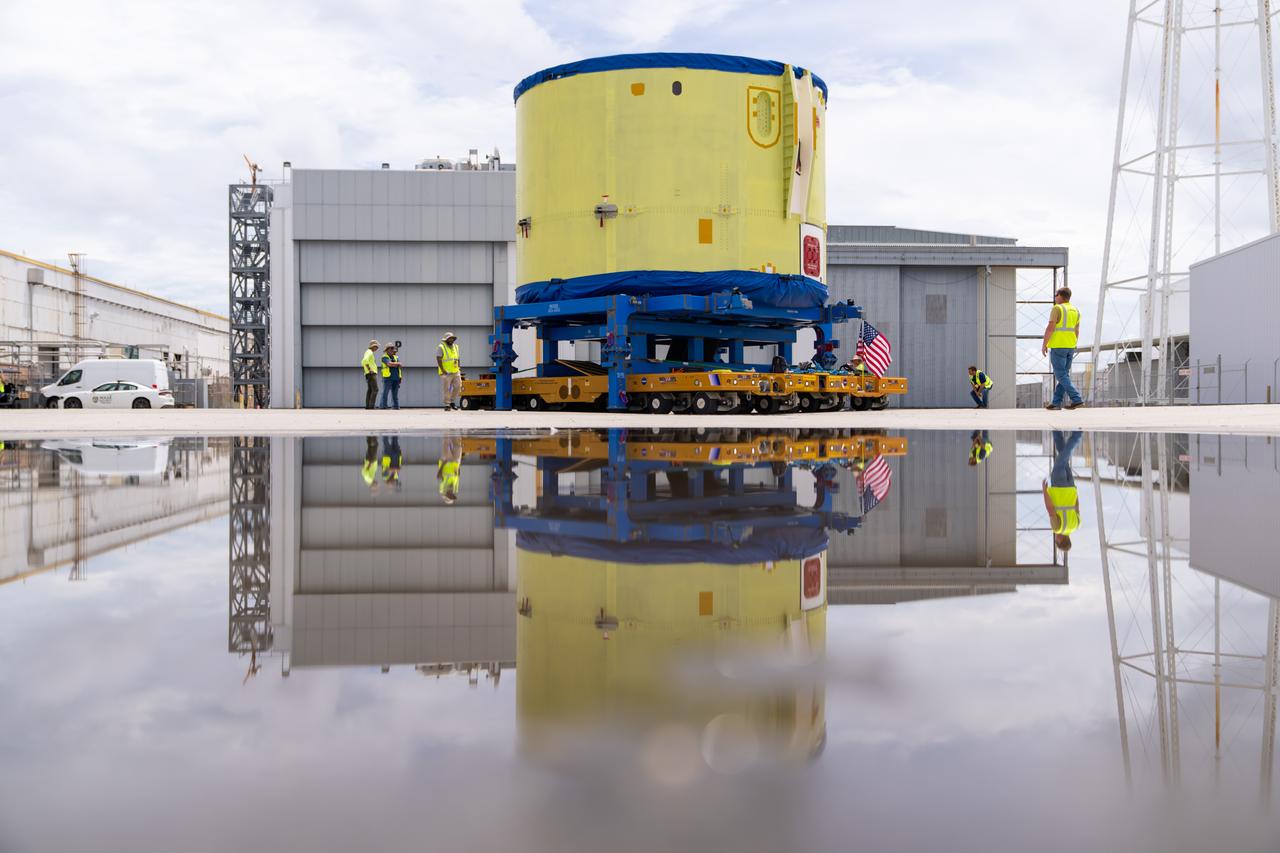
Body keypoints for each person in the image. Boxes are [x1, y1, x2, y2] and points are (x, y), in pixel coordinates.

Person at [1042, 287, 1084, 410]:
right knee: (1064, 375)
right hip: (1070, 346)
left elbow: (1050, 327)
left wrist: (1044, 343)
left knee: (1061, 375)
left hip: (1058, 346)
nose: (1055, 297)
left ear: (1060, 295)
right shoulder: (1076, 310)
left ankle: (1077, 399)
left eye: (1056, 295)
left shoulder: (1057, 308)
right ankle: (1056, 403)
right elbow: (1076, 330)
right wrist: (1074, 344)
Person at [1043, 429, 1084, 553]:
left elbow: (1077, 505)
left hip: (1071, 487)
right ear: (1060, 541)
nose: (1055, 538)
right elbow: (1050, 509)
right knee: (1061, 461)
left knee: (1062, 457)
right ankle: (1077, 435)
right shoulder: (1057, 528)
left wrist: (1074, 491)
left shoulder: (1076, 525)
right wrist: (1044, 491)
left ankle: (1056, 431)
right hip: (1059, 486)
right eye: (1056, 541)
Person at [437, 332, 462, 411]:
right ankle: (447, 404)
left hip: (455, 371)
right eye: (450, 338)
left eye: (452, 338)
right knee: (447, 389)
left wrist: (459, 367)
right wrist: (443, 370)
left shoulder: (456, 347)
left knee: (458, 386)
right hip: (446, 372)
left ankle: (452, 401)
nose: (451, 340)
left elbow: (457, 358)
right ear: (446, 339)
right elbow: (438, 358)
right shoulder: (441, 347)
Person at [437, 433, 461, 504]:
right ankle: (456, 431)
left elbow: (439, 476)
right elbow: (457, 477)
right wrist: (458, 468)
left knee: (446, 443)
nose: (452, 494)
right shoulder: (455, 489)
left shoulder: (442, 489)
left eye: (450, 496)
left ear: (446, 495)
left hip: (446, 462)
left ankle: (446, 429)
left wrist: (443, 463)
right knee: (458, 446)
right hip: (455, 463)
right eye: (453, 496)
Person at [378, 345, 403, 410]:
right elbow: (389, 364)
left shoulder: (396, 357)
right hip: (388, 377)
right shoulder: (384, 357)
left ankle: (396, 406)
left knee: (395, 394)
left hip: (396, 378)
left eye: (393, 349)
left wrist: (400, 377)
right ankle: (383, 406)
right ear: (387, 350)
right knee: (385, 393)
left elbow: (399, 368)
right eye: (391, 349)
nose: (392, 351)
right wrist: (397, 363)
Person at [361, 340, 380, 410]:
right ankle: (371, 406)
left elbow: (364, 361)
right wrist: (369, 369)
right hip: (371, 373)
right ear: (373, 346)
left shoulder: (368, 352)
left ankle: (368, 406)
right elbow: (364, 361)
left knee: (370, 390)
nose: (377, 348)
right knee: (375, 389)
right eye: (376, 347)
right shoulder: (369, 352)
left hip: (368, 373)